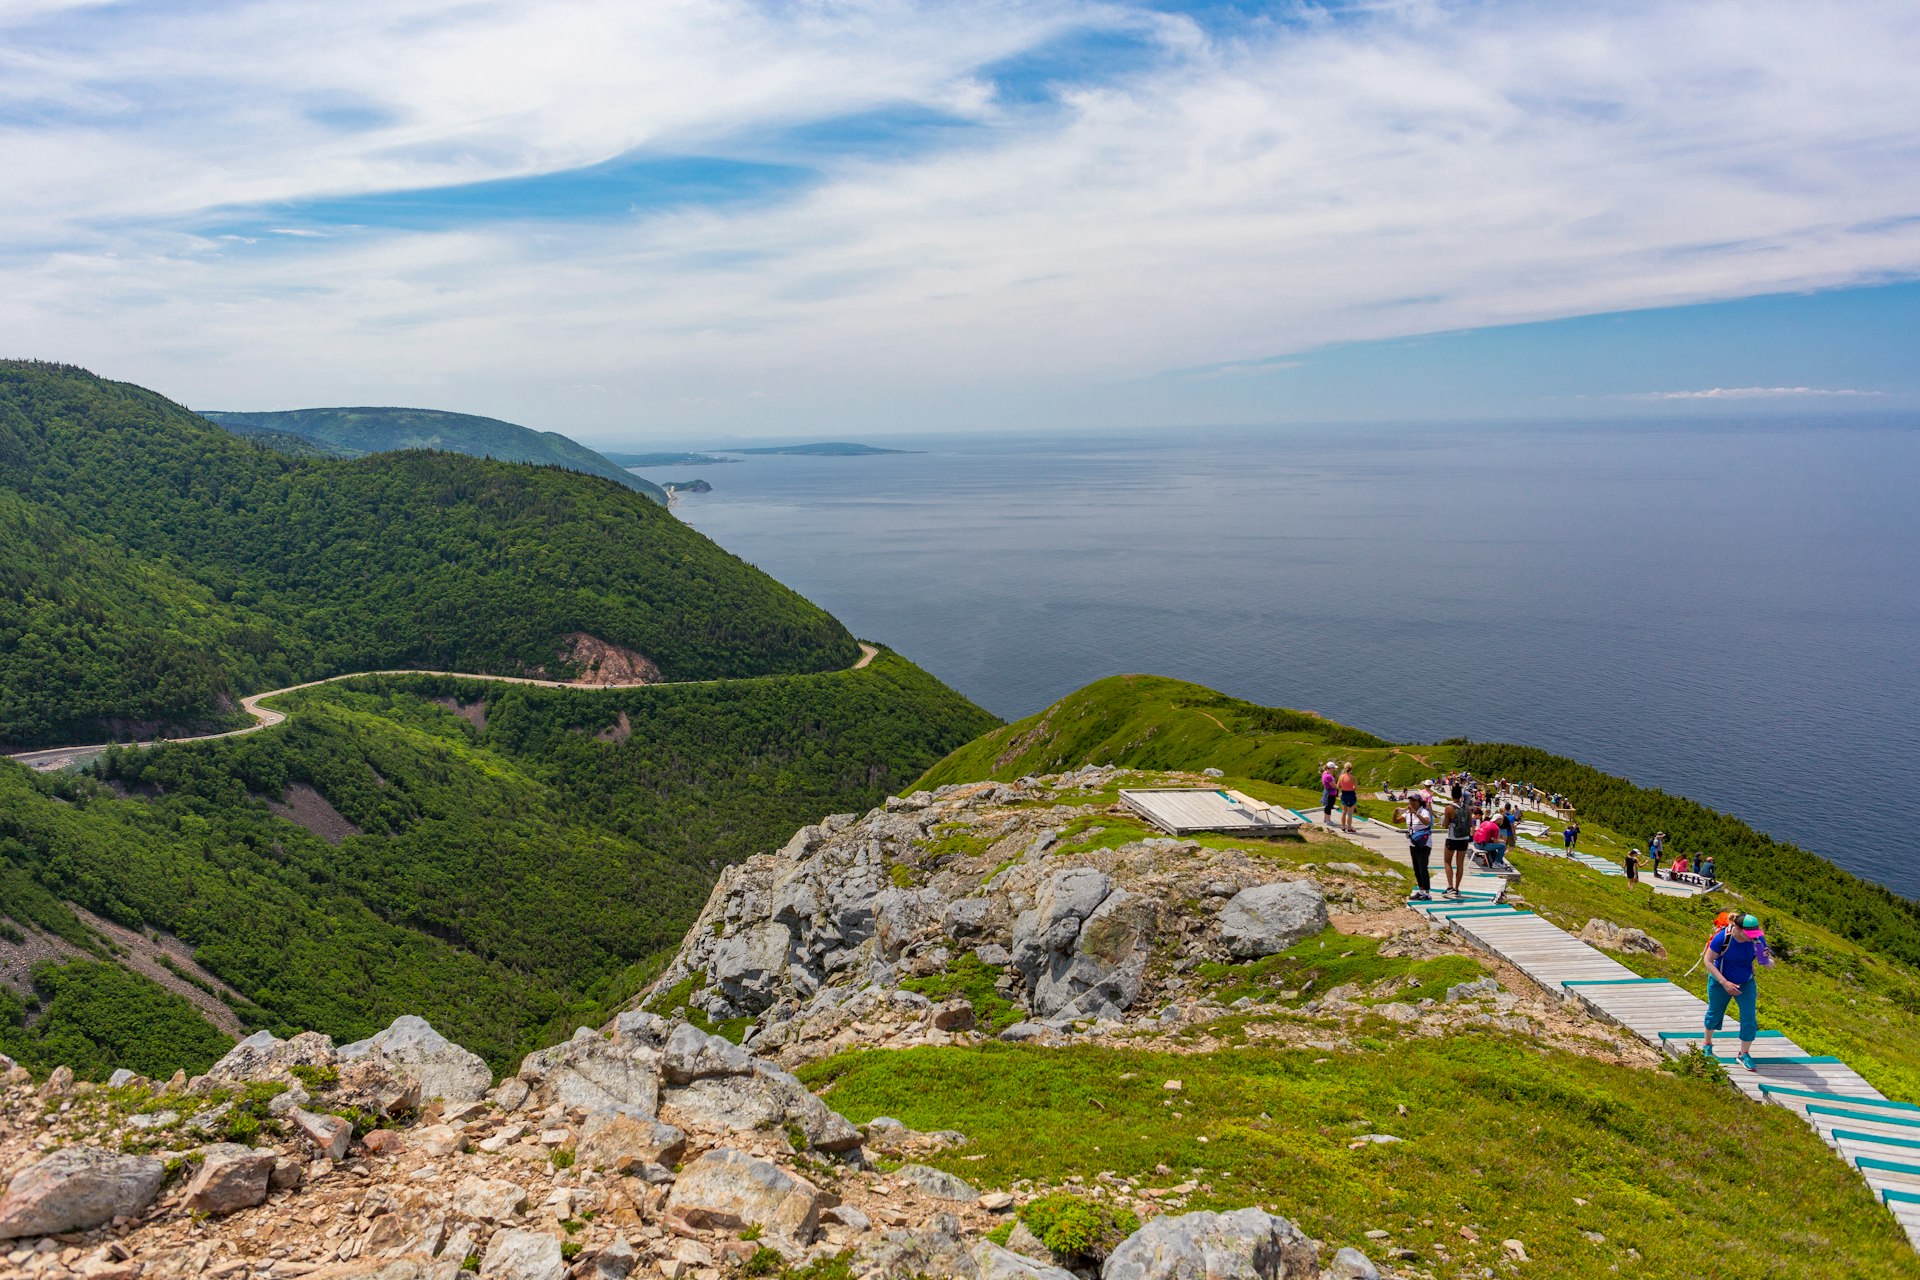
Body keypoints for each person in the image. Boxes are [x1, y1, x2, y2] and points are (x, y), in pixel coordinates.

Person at [1703, 914, 1773, 1069]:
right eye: (1750, 934)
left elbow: (1767, 965)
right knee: (1714, 1013)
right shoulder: (1723, 938)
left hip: (1746, 982)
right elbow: (1708, 961)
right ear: (1738, 929)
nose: (1753, 937)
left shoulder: (1757, 940)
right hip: (1720, 981)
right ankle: (1707, 1044)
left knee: (1749, 1019)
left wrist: (1767, 959)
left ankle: (1744, 1054)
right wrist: (1724, 983)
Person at [1406, 795, 1434, 901]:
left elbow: (1427, 822)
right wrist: (1396, 813)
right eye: (1410, 800)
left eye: (1414, 800)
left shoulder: (1424, 811)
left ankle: (1427, 893)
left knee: (1423, 867)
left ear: (1419, 802)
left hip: (1424, 843)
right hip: (1413, 842)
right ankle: (1421, 891)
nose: (1411, 802)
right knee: (1416, 868)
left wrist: (1415, 813)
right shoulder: (1409, 812)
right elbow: (1396, 821)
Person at [1443, 801, 1473, 897]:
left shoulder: (1449, 808)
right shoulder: (1467, 808)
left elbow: (1446, 825)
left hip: (1452, 838)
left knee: (1447, 861)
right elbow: (1471, 824)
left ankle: (1450, 886)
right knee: (1460, 864)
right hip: (1464, 839)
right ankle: (1457, 888)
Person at [1337, 763, 1358, 834]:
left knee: (1343, 812)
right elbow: (1356, 788)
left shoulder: (1341, 777)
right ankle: (1349, 828)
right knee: (1350, 813)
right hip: (1351, 795)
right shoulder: (1353, 778)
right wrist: (1352, 787)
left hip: (1344, 794)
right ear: (1351, 768)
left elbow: (1338, 786)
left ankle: (1343, 827)